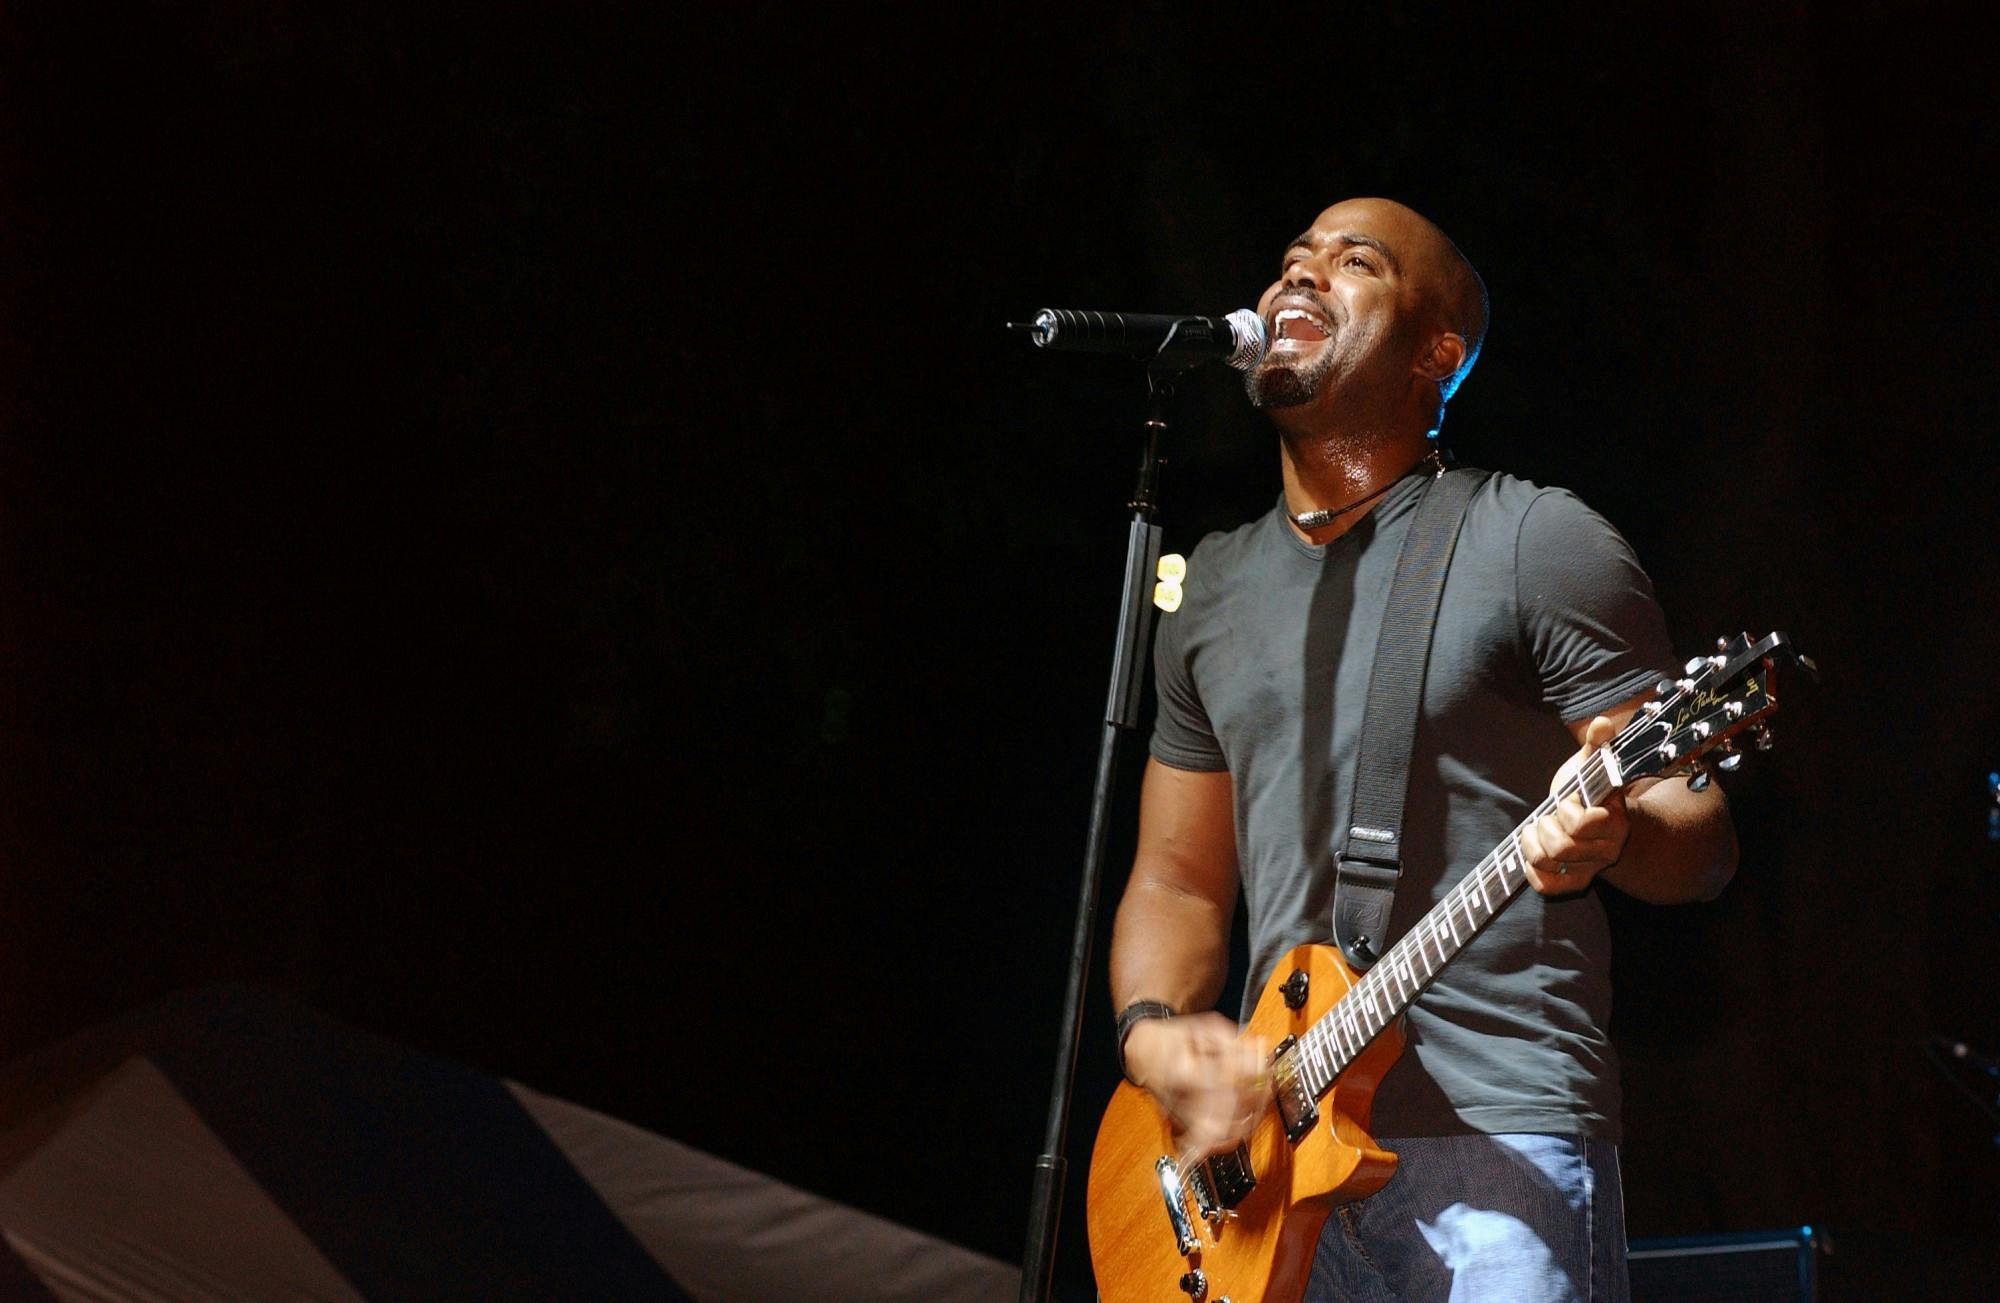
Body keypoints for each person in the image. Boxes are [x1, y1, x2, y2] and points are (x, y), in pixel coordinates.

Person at [1107, 197, 1738, 1301]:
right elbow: (1175, 876)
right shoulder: (1207, 587)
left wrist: (1613, 831)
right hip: (1262, 1174)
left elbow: (1699, 835)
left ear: (1432, 354)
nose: (1297, 279)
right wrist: (1152, 1038)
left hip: (1497, 1136)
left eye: (1353, 265)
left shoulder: (1533, 539)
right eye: (1289, 260)